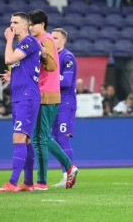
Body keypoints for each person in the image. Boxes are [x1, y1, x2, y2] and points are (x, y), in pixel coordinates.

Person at [28, 9, 78, 190]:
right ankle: (68, 167)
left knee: (41, 138)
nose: (30, 27)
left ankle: (43, 181)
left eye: (32, 24)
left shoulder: (45, 41)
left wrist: (42, 53)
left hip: (47, 94)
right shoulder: (39, 41)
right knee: (41, 138)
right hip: (42, 93)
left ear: (41, 25)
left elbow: (51, 65)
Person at [0, 13, 41, 193]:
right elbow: (26, 68)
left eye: (15, 22)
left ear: (25, 26)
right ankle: (28, 182)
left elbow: (9, 59)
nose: (11, 25)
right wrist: (12, 75)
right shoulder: (25, 45)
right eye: (10, 22)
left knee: (18, 138)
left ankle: (12, 183)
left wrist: (8, 40)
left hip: (27, 97)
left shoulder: (28, 42)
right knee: (26, 140)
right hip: (20, 96)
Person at [49, 28, 78, 188]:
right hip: (54, 103)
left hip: (66, 104)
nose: (52, 40)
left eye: (56, 38)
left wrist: (46, 80)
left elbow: (66, 82)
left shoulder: (67, 58)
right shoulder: (51, 57)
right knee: (56, 141)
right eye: (51, 37)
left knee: (62, 139)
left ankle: (69, 175)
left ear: (63, 40)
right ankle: (66, 175)